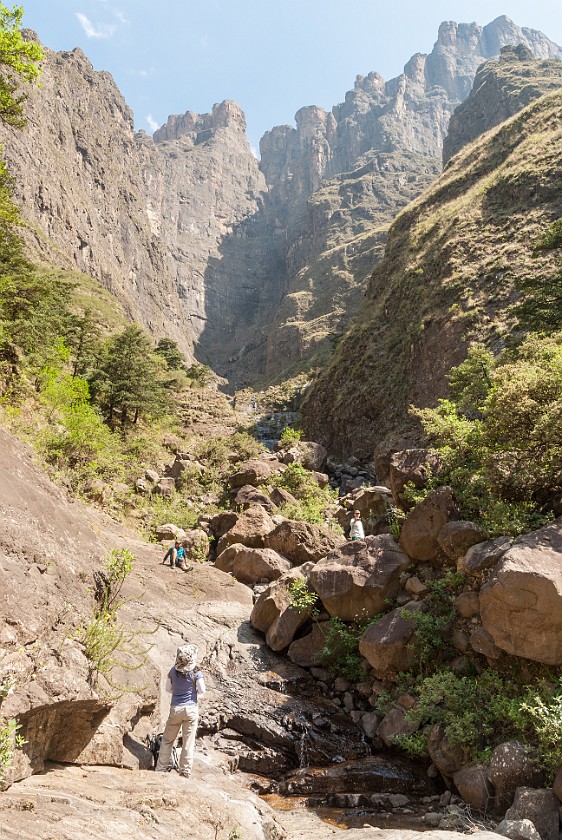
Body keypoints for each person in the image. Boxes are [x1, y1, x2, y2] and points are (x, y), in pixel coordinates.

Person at [156, 644, 206, 778]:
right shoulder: (196, 672)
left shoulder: (173, 671)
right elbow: (202, 690)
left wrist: (178, 692)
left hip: (175, 708)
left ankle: (160, 769)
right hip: (191, 709)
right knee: (188, 742)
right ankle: (185, 771)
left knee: (167, 740)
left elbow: (168, 689)